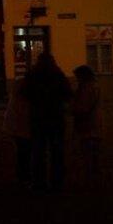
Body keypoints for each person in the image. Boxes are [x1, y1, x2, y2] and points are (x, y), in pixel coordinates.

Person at [22, 52, 72, 192]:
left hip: (38, 117)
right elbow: (68, 94)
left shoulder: (33, 74)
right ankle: (57, 182)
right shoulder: (58, 74)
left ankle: (39, 182)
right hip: (56, 117)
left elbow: (24, 93)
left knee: (38, 151)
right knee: (57, 151)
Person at [71, 65, 102, 187]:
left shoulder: (87, 88)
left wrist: (71, 109)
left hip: (87, 124)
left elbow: (83, 107)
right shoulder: (94, 86)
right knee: (94, 153)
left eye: (78, 76)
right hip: (94, 123)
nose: (76, 79)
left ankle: (90, 180)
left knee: (88, 153)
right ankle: (94, 178)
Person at [5, 72, 31, 183]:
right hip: (24, 128)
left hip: (16, 128)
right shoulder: (24, 99)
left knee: (21, 151)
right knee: (25, 151)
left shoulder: (16, 97)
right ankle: (25, 174)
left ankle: (22, 174)